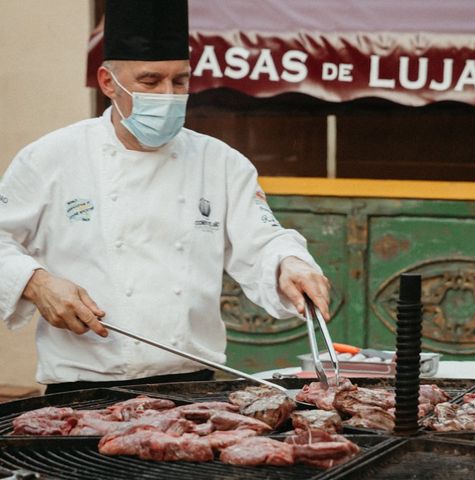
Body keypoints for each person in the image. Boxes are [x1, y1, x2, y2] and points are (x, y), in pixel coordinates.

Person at [0, 0, 329, 394]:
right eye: (150, 81)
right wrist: (36, 283)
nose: (169, 95)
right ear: (108, 83)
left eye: (180, 81)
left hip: (193, 387)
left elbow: (262, 242)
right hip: (80, 388)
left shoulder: (220, 162)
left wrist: (289, 263)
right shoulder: (50, 158)